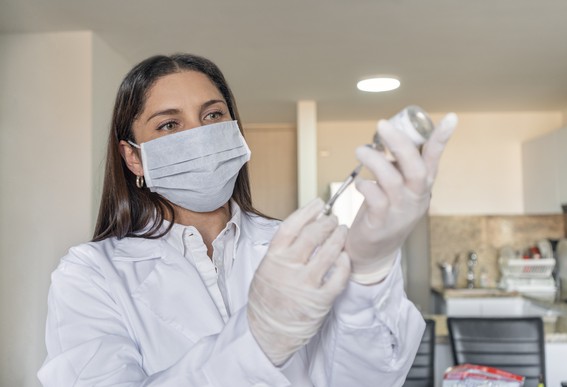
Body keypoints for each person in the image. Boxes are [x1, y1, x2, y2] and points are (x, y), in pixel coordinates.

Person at [37, 53, 456, 386]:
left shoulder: (299, 246)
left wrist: (372, 269)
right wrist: (260, 338)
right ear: (133, 156)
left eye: (213, 115)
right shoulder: (90, 275)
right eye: (169, 124)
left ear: (235, 133)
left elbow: (367, 378)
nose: (198, 135)